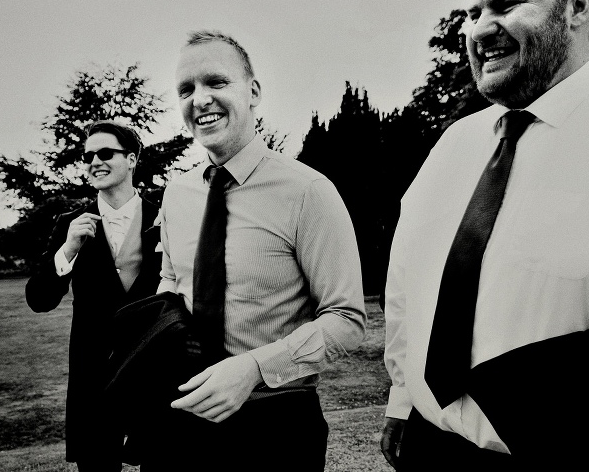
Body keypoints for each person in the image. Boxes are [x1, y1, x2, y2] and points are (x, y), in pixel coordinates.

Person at [381, 0, 589, 472]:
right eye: (473, 12)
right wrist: (401, 402)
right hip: (433, 450)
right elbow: (406, 285)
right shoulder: (453, 145)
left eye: (505, 5)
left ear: (578, 6)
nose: (478, 29)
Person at [148, 29, 366, 472]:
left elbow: (346, 320)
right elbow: (171, 280)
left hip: (275, 425)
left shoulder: (309, 191)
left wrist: (253, 368)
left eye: (216, 82)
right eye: (186, 89)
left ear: (253, 92)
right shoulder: (176, 194)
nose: (200, 99)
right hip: (182, 417)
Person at [25, 119, 162, 472]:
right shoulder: (70, 222)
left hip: (155, 370)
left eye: (105, 153)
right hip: (94, 377)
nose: (94, 161)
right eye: (88, 156)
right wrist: (68, 248)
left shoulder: (165, 215)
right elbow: (39, 299)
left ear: (131, 160)